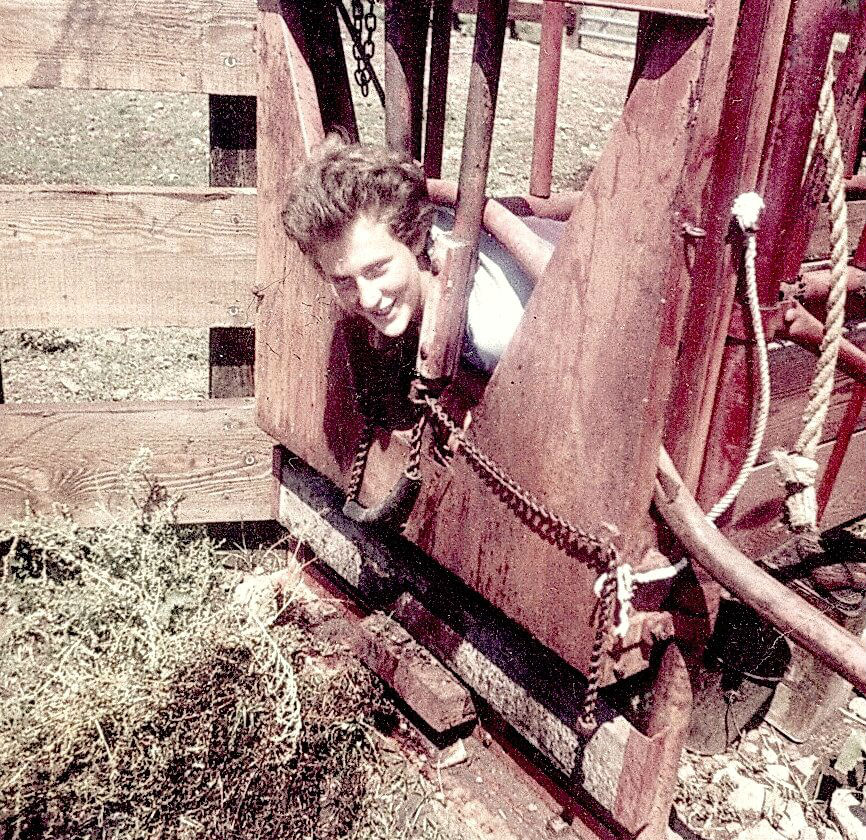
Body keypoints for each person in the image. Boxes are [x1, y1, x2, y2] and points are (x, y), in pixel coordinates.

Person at [281, 136, 532, 375]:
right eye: (343, 281)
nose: (368, 299)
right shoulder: (396, 245)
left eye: (377, 270)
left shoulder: (494, 330)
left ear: (415, 238)